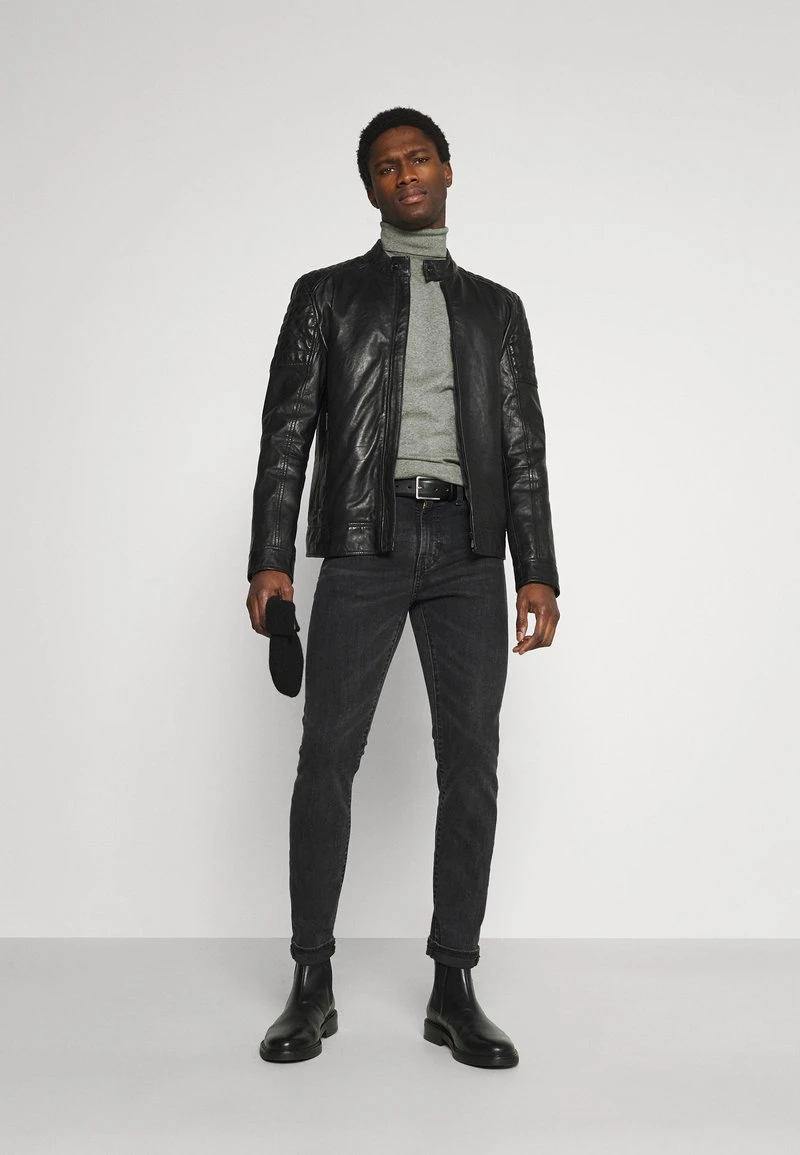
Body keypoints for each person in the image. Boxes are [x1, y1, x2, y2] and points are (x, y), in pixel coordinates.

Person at [246, 107, 561, 1069]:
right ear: (372, 188)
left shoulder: (498, 309)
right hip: (364, 539)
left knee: (472, 765)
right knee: (325, 758)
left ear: (448, 170)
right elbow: (287, 429)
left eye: (418, 158)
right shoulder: (326, 296)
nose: (405, 174)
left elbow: (522, 446)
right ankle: (311, 982)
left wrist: (537, 568)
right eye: (386, 167)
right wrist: (269, 557)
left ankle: (453, 986)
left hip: (469, 549)